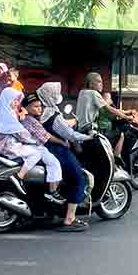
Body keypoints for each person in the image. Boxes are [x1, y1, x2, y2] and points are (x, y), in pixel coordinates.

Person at [0, 87, 63, 201]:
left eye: (17, 100)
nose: (16, 103)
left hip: (2, 145)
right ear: (7, 100)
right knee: (36, 153)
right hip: (8, 146)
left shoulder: (1, 110)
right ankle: (19, 176)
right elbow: (21, 134)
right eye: (14, 100)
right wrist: (34, 140)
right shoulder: (7, 113)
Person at [30, 84, 95, 232]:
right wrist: (88, 137)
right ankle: (69, 219)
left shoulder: (37, 110)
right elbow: (70, 135)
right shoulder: (53, 115)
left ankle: (53, 211)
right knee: (79, 178)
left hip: (42, 149)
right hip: (58, 150)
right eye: (55, 94)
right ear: (51, 96)